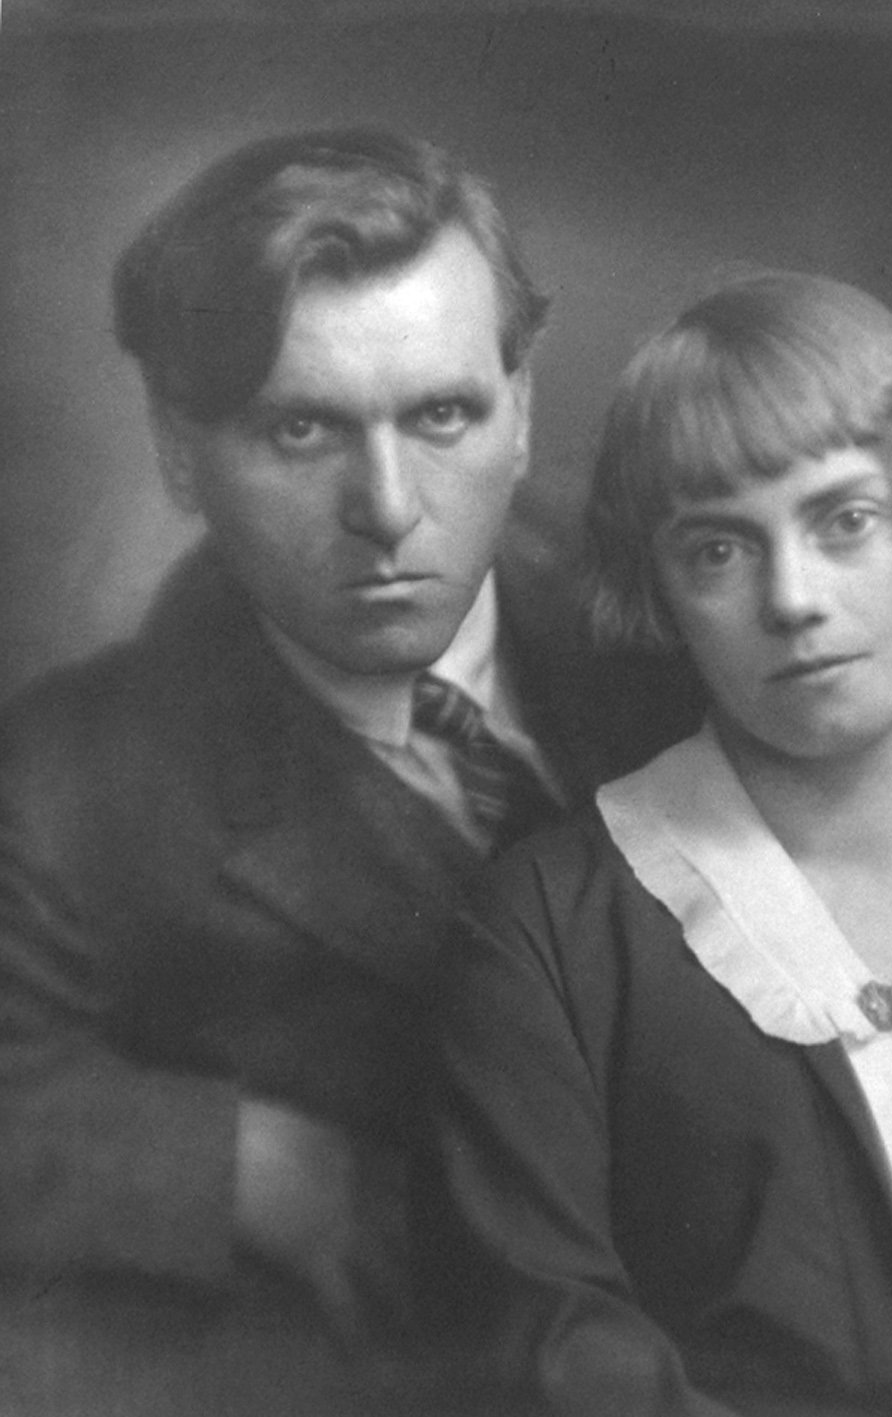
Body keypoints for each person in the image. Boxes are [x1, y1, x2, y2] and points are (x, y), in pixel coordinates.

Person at [0, 129, 684, 1417]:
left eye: (441, 416)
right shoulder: (60, 783)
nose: (388, 507)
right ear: (179, 452)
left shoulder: (689, 593)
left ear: (521, 411)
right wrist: (234, 1161)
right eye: (302, 428)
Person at [432, 270, 892, 1416]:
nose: (792, 598)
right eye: (719, 551)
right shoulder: (546, 929)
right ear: (662, 591)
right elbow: (557, 1350)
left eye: (845, 521)